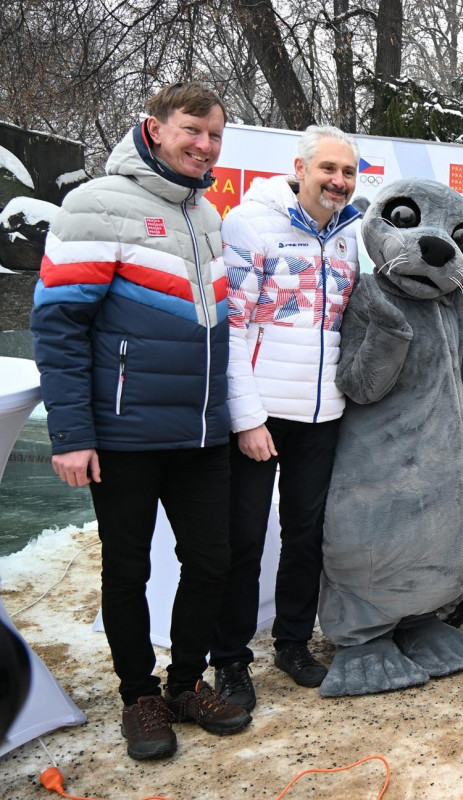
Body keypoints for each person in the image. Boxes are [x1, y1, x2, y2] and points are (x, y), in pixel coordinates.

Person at [30, 82, 251, 761]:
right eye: (192, 130)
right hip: (124, 435)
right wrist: (72, 434)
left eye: (214, 135)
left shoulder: (206, 215)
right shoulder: (96, 204)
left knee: (211, 560)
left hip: (200, 432)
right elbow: (59, 324)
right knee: (126, 571)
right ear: (154, 128)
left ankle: (185, 683)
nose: (204, 145)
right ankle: (140, 698)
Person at [209, 126, 362, 710]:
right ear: (299, 168)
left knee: (306, 537)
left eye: (347, 173)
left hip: (322, 417)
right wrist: (246, 419)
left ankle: (294, 643)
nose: (338, 182)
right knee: (243, 541)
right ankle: (229, 660)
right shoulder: (250, 225)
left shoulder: (349, 237)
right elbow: (234, 327)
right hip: (261, 416)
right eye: (328, 169)